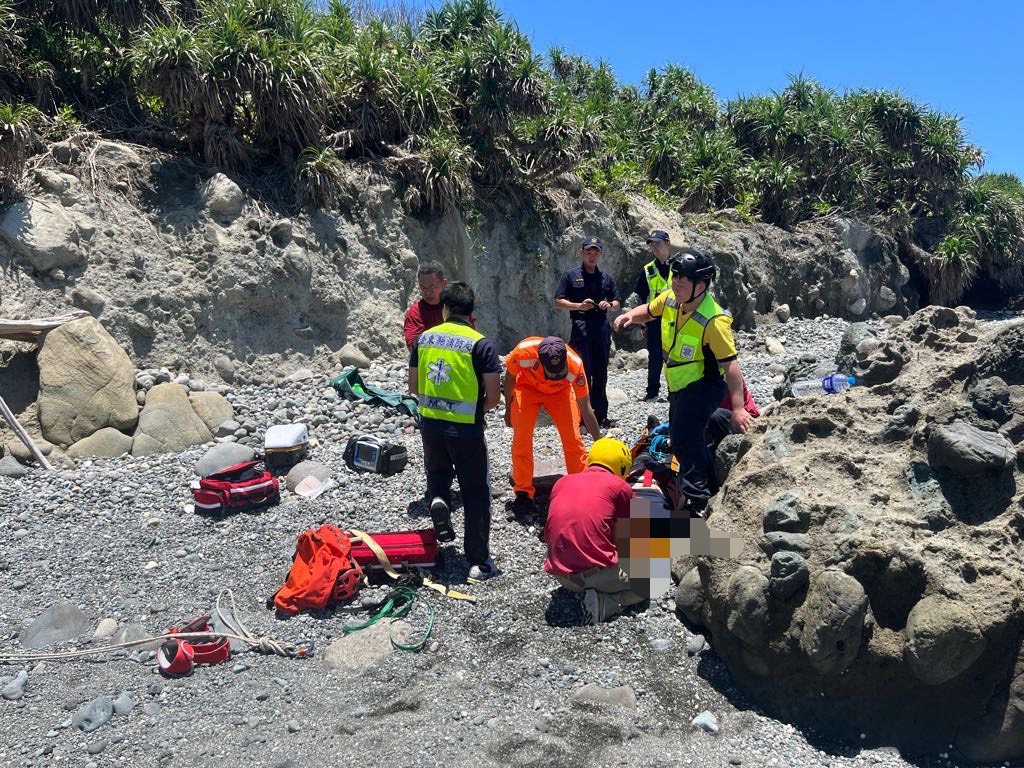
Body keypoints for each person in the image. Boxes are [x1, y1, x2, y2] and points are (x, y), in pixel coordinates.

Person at [613, 248, 753, 515]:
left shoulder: (714, 319)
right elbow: (649, 310)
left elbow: (731, 365)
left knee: (685, 439)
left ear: (700, 285)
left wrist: (738, 408)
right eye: (675, 276)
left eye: (683, 279)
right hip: (678, 385)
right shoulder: (671, 300)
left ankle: (698, 502)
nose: (676, 282)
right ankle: (710, 485)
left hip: (704, 385)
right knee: (685, 438)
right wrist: (631, 315)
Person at [408, 282, 500, 580]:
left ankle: (439, 498)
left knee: (437, 473)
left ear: (445, 309)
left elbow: (413, 387)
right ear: (471, 312)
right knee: (476, 492)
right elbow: (493, 397)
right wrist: (473, 409)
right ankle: (479, 561)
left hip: (430, 424)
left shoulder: (423, 340)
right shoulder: (481, 344)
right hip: (466, 430)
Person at [543, 438, 645, 625]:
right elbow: (627, 537)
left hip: (561, 576)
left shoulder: (562, 482)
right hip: (592, 575)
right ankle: (608, 603)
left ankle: (588, 587)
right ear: (622, 467)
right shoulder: (620, 486)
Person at [504, 335, 602, 515]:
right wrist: (508, 408)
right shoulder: (523, 352)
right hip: (527, 388)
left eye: (559, 372)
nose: (555, 376)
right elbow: (509, 377)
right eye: (552, 372)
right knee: (521, 439)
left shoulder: (575, 364)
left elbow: (586, 408)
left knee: (573, 438)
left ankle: (580, 487)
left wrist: (601, 443)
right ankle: (523, 493)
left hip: (561, 392)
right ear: (539, 362)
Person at [554, 236, 621, 428]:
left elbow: (617, 302)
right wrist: (579, 306)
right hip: (581, 327)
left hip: (601, 327)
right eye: (588, 252)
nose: (592, 256)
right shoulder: (570, 275)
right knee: (583, 373)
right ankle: (583, 417)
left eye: (596, 252)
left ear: (600, 254)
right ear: (581, 252)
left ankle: (601, 415)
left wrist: (609, 304)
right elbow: (558, 301)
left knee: (601, 373)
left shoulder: (606, 277)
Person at [633, 230, 672, 402]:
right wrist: (642, 323)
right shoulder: (648, 270)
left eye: (658, 243)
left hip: (675, 319)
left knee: (674, 356)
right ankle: (652, 392)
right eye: (652, 244)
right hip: (654, 320)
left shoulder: (680, 266)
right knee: (655, 356)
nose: (655, 247)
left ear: (668, 243)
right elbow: (642, 297)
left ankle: (675, 391)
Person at [404, 261, 448, 351]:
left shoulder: (456, 306)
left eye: (433, 286)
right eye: (423, 287)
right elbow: (414, 349)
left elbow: (473, 338)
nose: (428, 292)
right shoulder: (416, 312)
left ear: (444, 283)